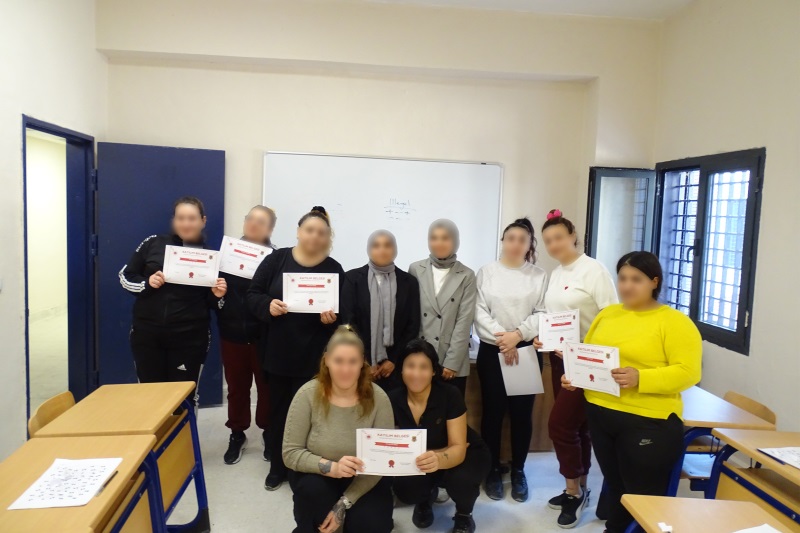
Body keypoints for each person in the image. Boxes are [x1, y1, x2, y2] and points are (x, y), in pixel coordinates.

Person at [562, 251, 702, 533]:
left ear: (654, 282)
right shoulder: (608, 315)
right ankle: (614, 528)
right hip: (601, 413)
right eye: (623, 278)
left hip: (648, 420)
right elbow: (590, 355)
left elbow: (689, 372)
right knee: (616, 485)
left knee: (643, 495)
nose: (627, 286)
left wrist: (641, 377)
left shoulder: (674, 321)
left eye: (636, 279)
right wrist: (576, 376)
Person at [248, 206, 344, 491]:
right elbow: (253, 294)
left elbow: (344, 313)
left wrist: (332, 320)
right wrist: (268, 305)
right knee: (279, 413)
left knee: (311, 416)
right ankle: (278, 467)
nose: (315, 236)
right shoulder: (277, 259)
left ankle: (302, 468)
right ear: (299, 231)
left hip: (315, 357)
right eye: (309, 230)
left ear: (328, 237)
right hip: (279, 353)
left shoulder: (334, 268)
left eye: (321, 232)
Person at [536, 209, 618, 528]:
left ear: (573, 236)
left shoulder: (593, 270)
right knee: (577, 428)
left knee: (559, 426)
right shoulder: (557, 272)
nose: (553, 245)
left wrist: (583, 354)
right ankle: (580, 488)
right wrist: (544, 338)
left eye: (558, 237)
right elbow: (554, 316)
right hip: (559, 358)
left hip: (586, 360)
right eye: (547, 241)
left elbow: (611, 319)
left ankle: (573, 492)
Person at [283, 325, 394, 533]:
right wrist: (332, 467)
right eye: (338, 361)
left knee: (372, 523)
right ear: (326, 360)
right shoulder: (307, 395)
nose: (345, 370)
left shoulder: (379, 399)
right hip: (318, 474)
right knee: (313, 497)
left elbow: (381, 461)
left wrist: (344, 503)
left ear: (362, 362)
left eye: (353, 362)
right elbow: (290, 453)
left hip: (363, 478)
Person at [119, 196, 227, 406]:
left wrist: (217, 295)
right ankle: (155, 430)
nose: (186, 223)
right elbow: (125, 276)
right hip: (147, 335)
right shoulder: (153, 242)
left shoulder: (209, 257)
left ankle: (184, 429)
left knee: (184, 399)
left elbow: (214, 304)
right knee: (149, 396)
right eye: (181, 218)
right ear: (174, 220)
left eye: (192, 218)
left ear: (203, 221)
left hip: (190, 338)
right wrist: (147, 283)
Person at [474, 217, 546, 503]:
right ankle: (492, 469)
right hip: (493, 350)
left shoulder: (538, 275)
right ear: (503, 241)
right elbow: (479, 311)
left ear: (529, 245)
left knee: (521, 415)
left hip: (525, 350)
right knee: (492, 413)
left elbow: (542, 312)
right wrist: (503, 339)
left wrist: (517, 336)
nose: (516, 244)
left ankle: (518, 470)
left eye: (522, 240)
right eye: (511, 238)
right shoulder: (487, 272)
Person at [389, 339, 491, 533]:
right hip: (424, 456)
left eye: (424, 367)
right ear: (401, 369)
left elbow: (459, 447)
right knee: (404, 487)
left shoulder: (450, 394)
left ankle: (464, 515)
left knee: (461, 480)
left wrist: (438, 457)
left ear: (433, 371)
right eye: (410, 366)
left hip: (466, 453)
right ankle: (425, 498)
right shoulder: (393, 399)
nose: (416, 373)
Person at [217, 205, 278, 465]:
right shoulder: (226, 255)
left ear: (270, 229)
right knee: (237, 388)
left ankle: (268, 431)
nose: (254, 224)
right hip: (232, 334)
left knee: (267, 388)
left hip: (265, 337)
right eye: (250, 219)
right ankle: (237, 433)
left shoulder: (277, 259)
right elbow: (212, 297)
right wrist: (217, 296)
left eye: (261, 221)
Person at [341, 230, 421, 391]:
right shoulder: (352, 279)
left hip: (395, 367)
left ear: (395, 249)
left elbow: (412, 325)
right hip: (358, 365)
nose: (382, 250)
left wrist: (393, 360)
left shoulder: (409, 282)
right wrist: (365, 360)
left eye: (387, 245)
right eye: (376, 246)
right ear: (368, 249)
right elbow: (348, 322)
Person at [408, 219, 476, 396]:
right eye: (433, 238)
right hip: (420, 359)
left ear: (455, 240)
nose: (439, 243)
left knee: (450, 410)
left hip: (451, 361)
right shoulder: (415, 269)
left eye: (445, 238)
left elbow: (464, 321)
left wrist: (452, 362)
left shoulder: (467, 275)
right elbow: (411, 316)